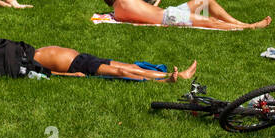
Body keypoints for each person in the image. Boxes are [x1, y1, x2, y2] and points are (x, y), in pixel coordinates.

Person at [102, 0, 272, 30]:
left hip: (168, 13)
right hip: (170, 17)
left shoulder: (118, 14)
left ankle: (239, 23)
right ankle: (249, 27)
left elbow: (143, 15)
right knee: (211, 22)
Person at [29, 48, 197, 82]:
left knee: (132, 67)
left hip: (84, 58)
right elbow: (48, 73)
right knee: (121, 71)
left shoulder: (26, 53)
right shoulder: (27, 65)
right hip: (78, 66)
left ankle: (177, 75)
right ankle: (169, 79)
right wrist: (72, 75)